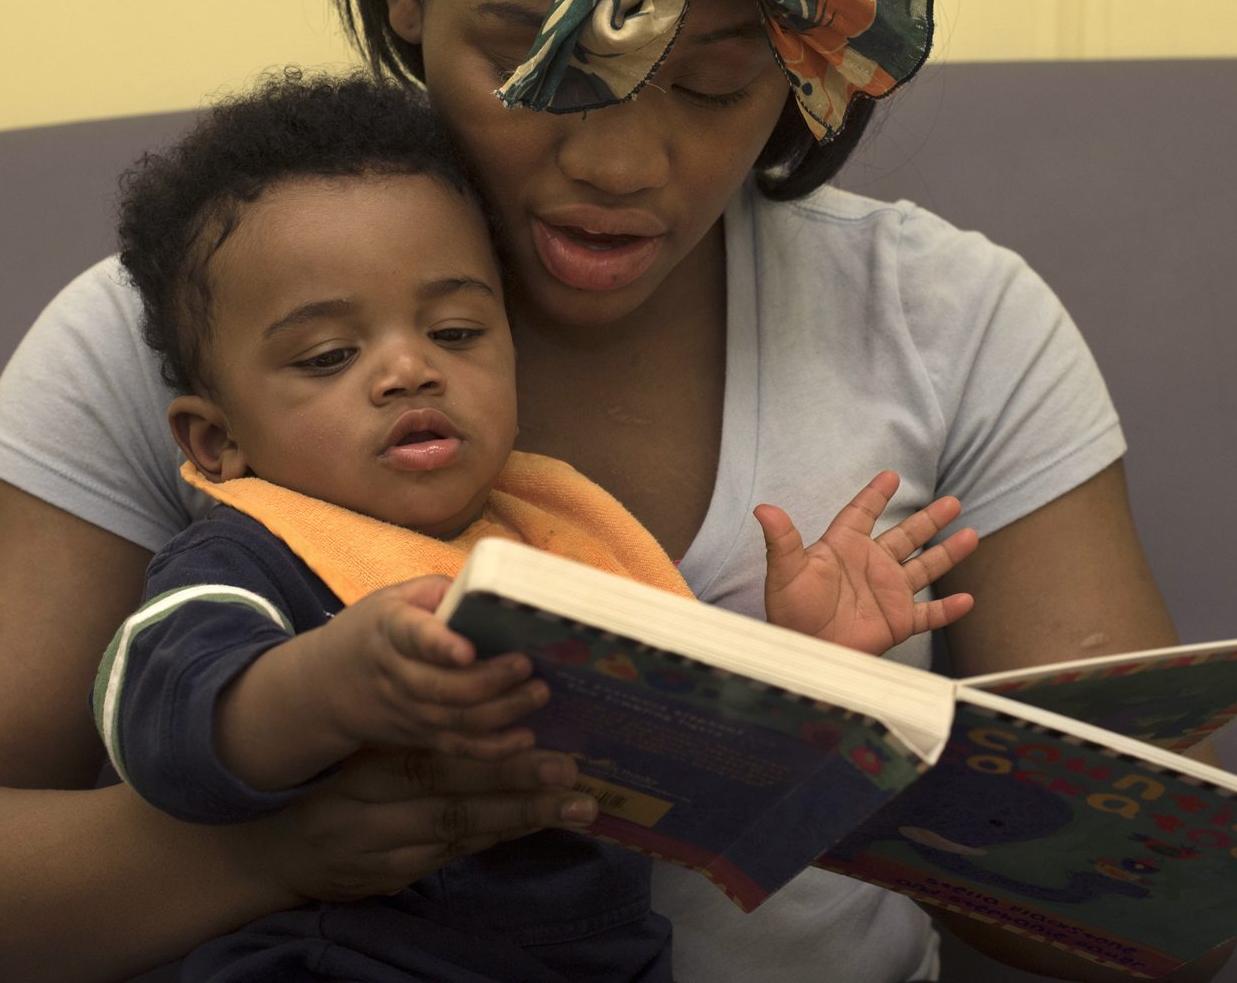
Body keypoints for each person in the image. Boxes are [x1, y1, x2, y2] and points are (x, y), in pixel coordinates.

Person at [0, 0, 1231, 981]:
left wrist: (837, 742)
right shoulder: (186, 327)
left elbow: (1174, 920)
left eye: (713, 78)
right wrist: (290, 847)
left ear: (810, 58)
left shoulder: (959, 326)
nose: (621, 163)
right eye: (539, 55)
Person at [95, 69, 976, 982]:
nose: (409, 370)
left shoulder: (554, 539)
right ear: (217, 437)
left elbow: (701, 783)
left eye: (458, 333)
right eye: (329, 356)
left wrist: (808, 667)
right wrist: (330, 680)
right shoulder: (252, 551)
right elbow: (161, 719)